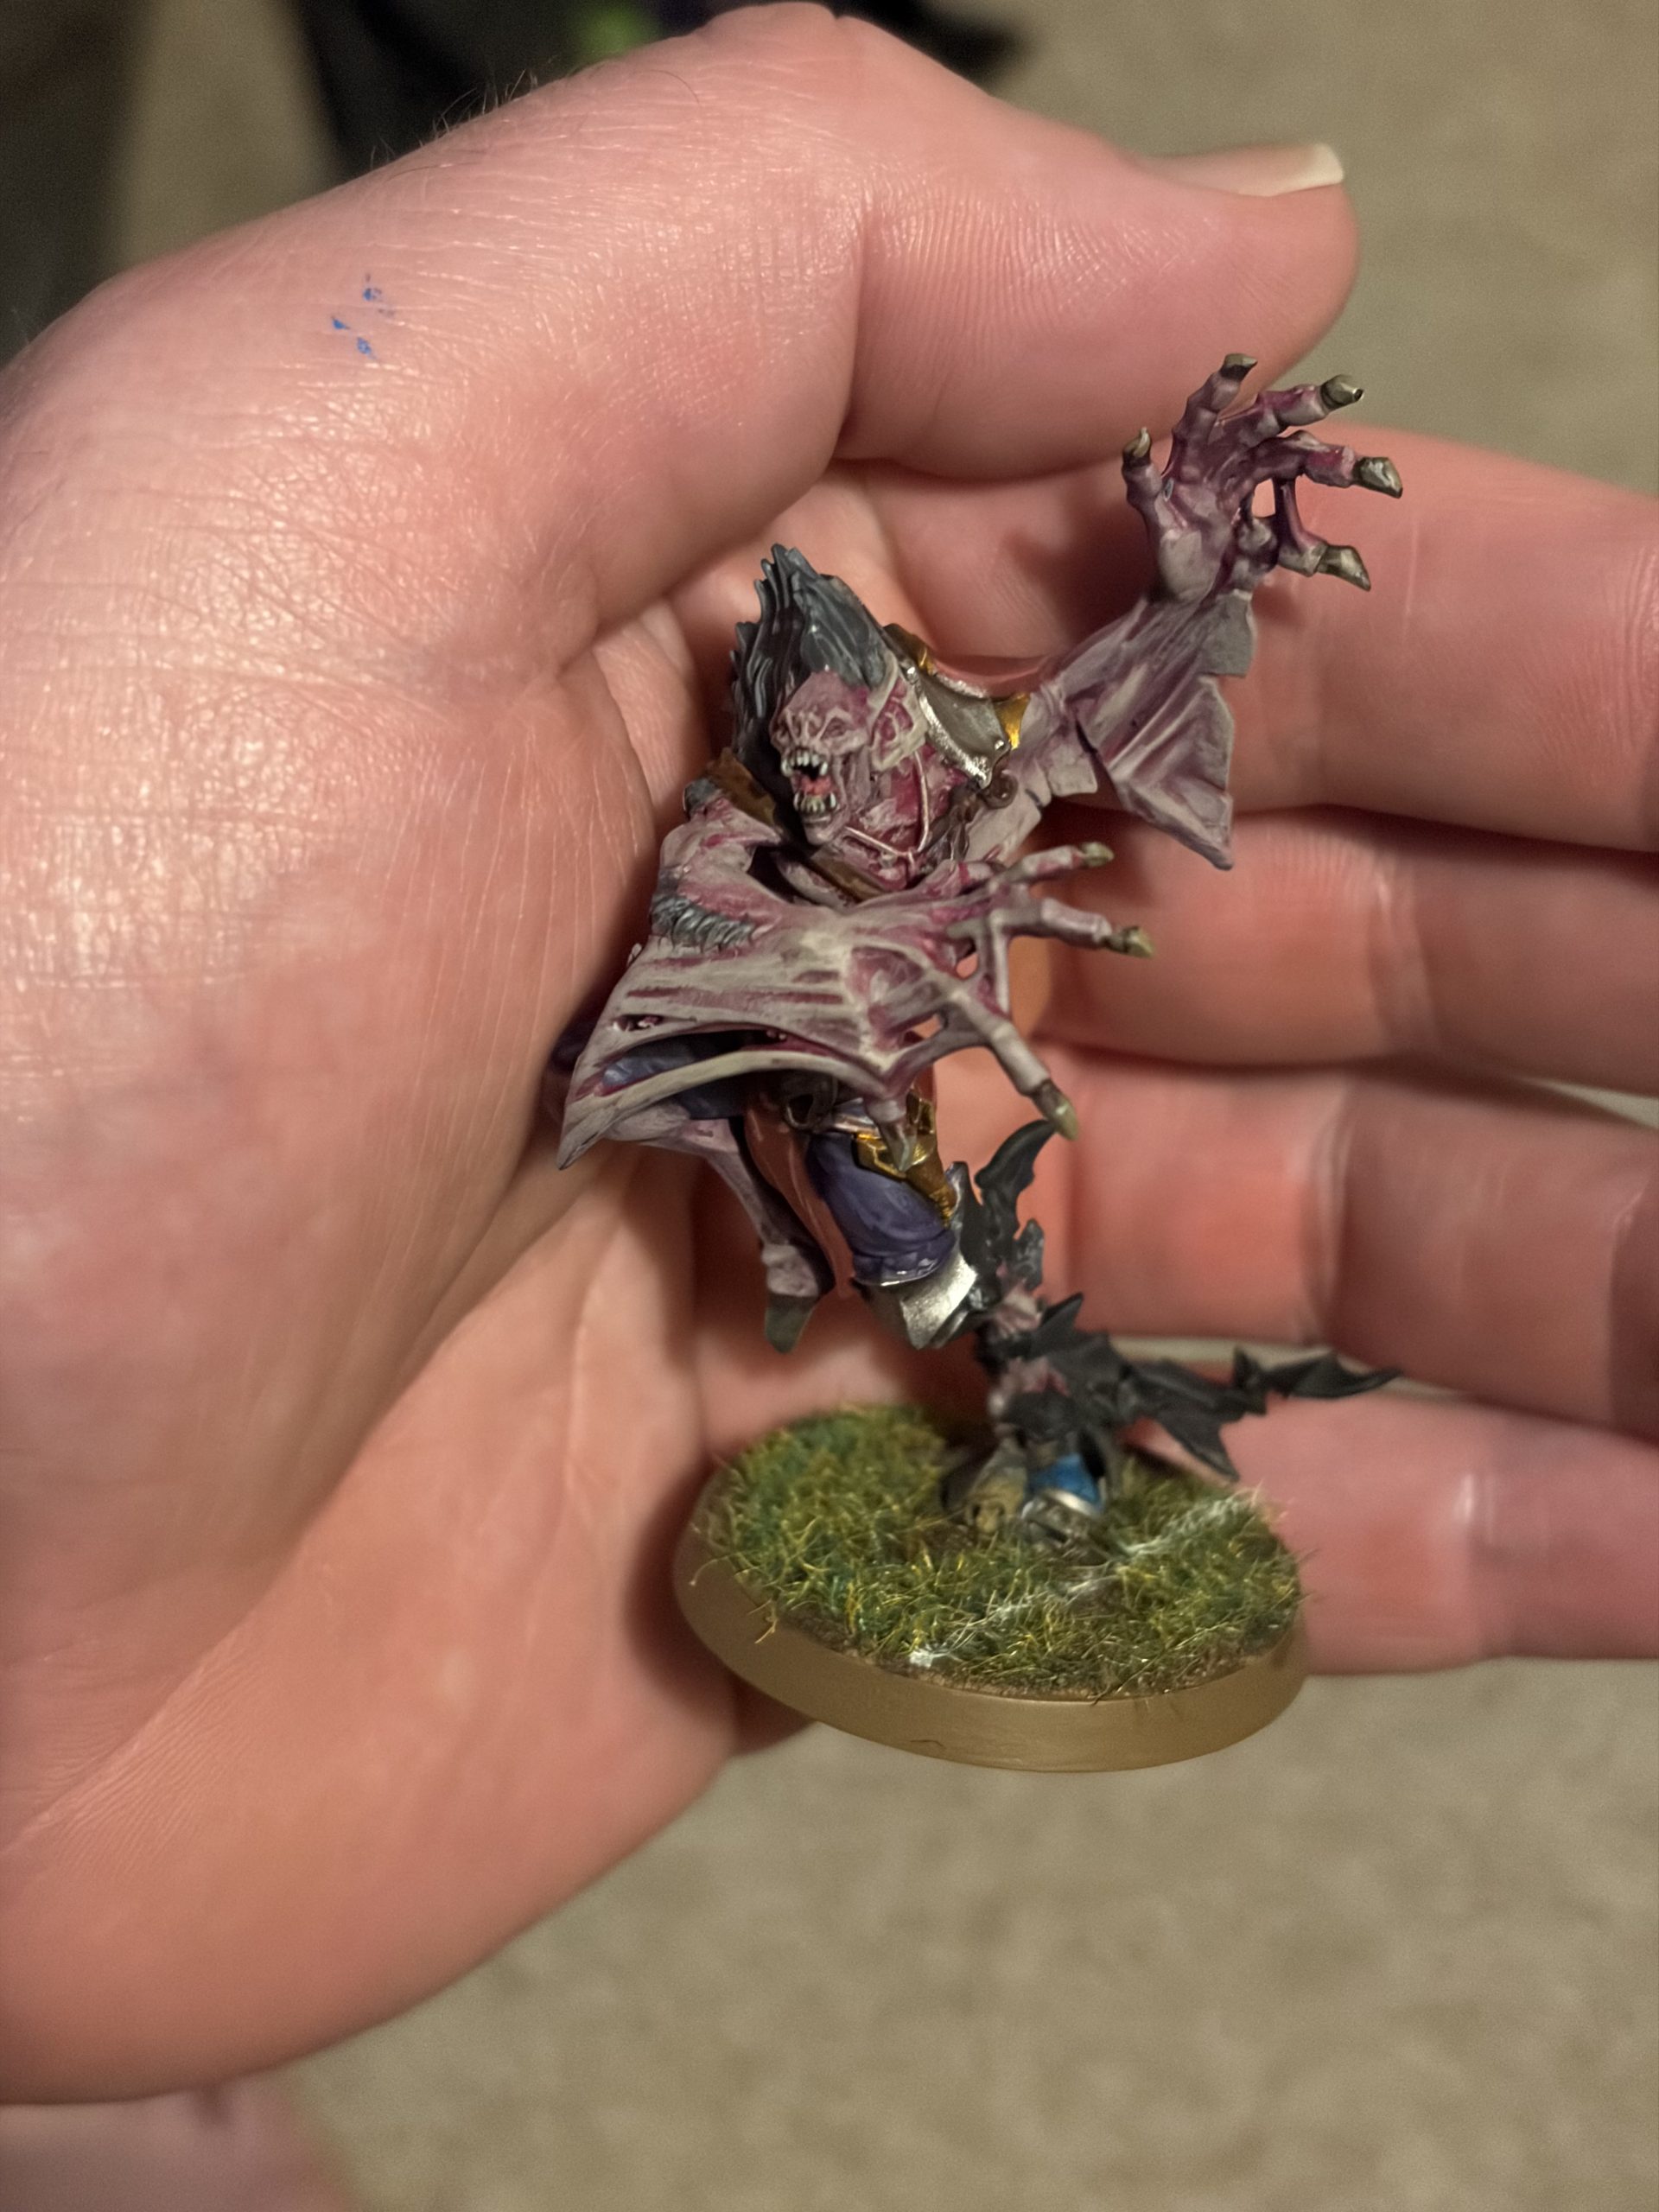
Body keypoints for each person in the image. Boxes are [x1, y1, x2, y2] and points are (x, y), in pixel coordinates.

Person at [0, 3, 1653, 2112]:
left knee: (994, 1291)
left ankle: (1042, 1422)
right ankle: (1023, 1402)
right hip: (829, 1109)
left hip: (905, 1065)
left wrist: (1195, 557)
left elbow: (1082, 722)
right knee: (940, 1266)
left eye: (883, 736)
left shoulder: (940, 759)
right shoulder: (746, 881)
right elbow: (765, 1020)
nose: (874, 760)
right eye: (838, 751)